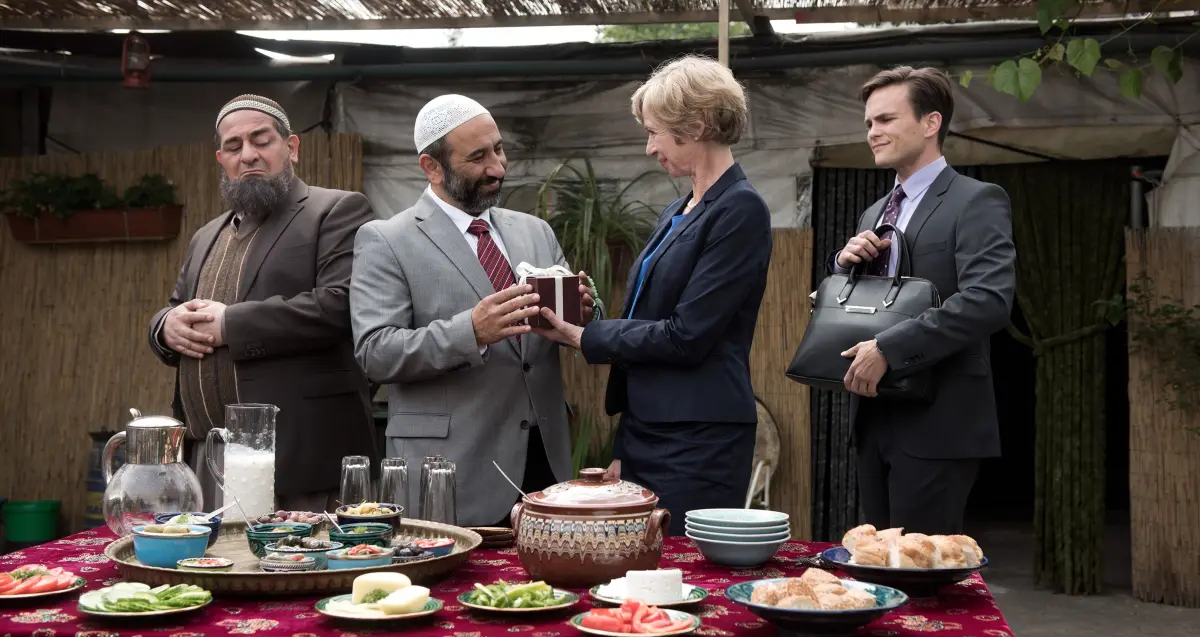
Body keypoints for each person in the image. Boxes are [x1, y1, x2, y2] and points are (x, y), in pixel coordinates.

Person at [531, 55, 772, 537]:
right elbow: (646, 317)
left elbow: (687, 336)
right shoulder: (679, 207)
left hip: (699, 438)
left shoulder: (741, 209)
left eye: (655, 132)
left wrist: (586, 336)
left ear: (696, 125)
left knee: (684, 576)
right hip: (648, 431)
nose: (648, 148)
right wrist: (625, 443)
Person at [350, 94, 597, 528]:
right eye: (478, 157)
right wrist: (472, 331)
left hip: (545, 464)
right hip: (450, 471)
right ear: (432, 167)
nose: (497, 167)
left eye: (499, 149)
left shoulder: (535, 231)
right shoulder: (386, 240)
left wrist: (579, 314)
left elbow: (562, 331)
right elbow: (376, 351)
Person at [148, 94, 378, 514]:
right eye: (234, 147)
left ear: (291, 147)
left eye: (261, 140)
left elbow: (340, 305)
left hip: (303, 459)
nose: (248, 155)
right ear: (221, 158)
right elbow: (175, 306)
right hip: (210, 459)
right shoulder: (206, 236)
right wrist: (165, 327)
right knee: (220, 575)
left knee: (310, 574)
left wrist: (229, 325)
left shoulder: (336, 210)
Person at [829, 66, 1016, 535]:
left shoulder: (977, 200)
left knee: (921, 577)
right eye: (869, 122)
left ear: (931, 123)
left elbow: (988, 300)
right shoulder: (874, 211)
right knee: (878, 568)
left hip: (939, 422)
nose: (873, 132)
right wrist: (843, 270)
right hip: (873, 415)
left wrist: (889, 349)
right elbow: (875, 305)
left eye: (887, 120)